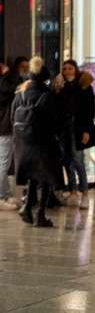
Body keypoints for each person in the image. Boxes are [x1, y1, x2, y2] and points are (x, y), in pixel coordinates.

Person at [11, 57, 63, 227]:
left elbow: (13, 118)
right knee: (46, 177)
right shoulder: (47, 97)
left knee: (32, 176)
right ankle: (40, 214)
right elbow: (54, 121)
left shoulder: (20, 95)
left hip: (24, 144)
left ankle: (27, 208)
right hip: (43, 143)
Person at [59, 59, 95, 209]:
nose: (67, 71)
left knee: (78, 159)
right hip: (65, 128)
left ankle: (85, 193)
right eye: (65, 69)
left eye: (69, 68)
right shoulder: (62, 87)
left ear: (75, 69)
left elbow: (89, 110)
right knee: (67, 159)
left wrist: (87, 130)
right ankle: (73, 191)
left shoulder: (84, 87)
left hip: (78, 127)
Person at [0, 56, 29, 210]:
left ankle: (5, 194)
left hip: (4, 129)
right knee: (2, 164)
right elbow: (17, 87)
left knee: (2, 163)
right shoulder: (5, 85)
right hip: (4, 129)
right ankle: (1, 197)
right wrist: (7, 72)